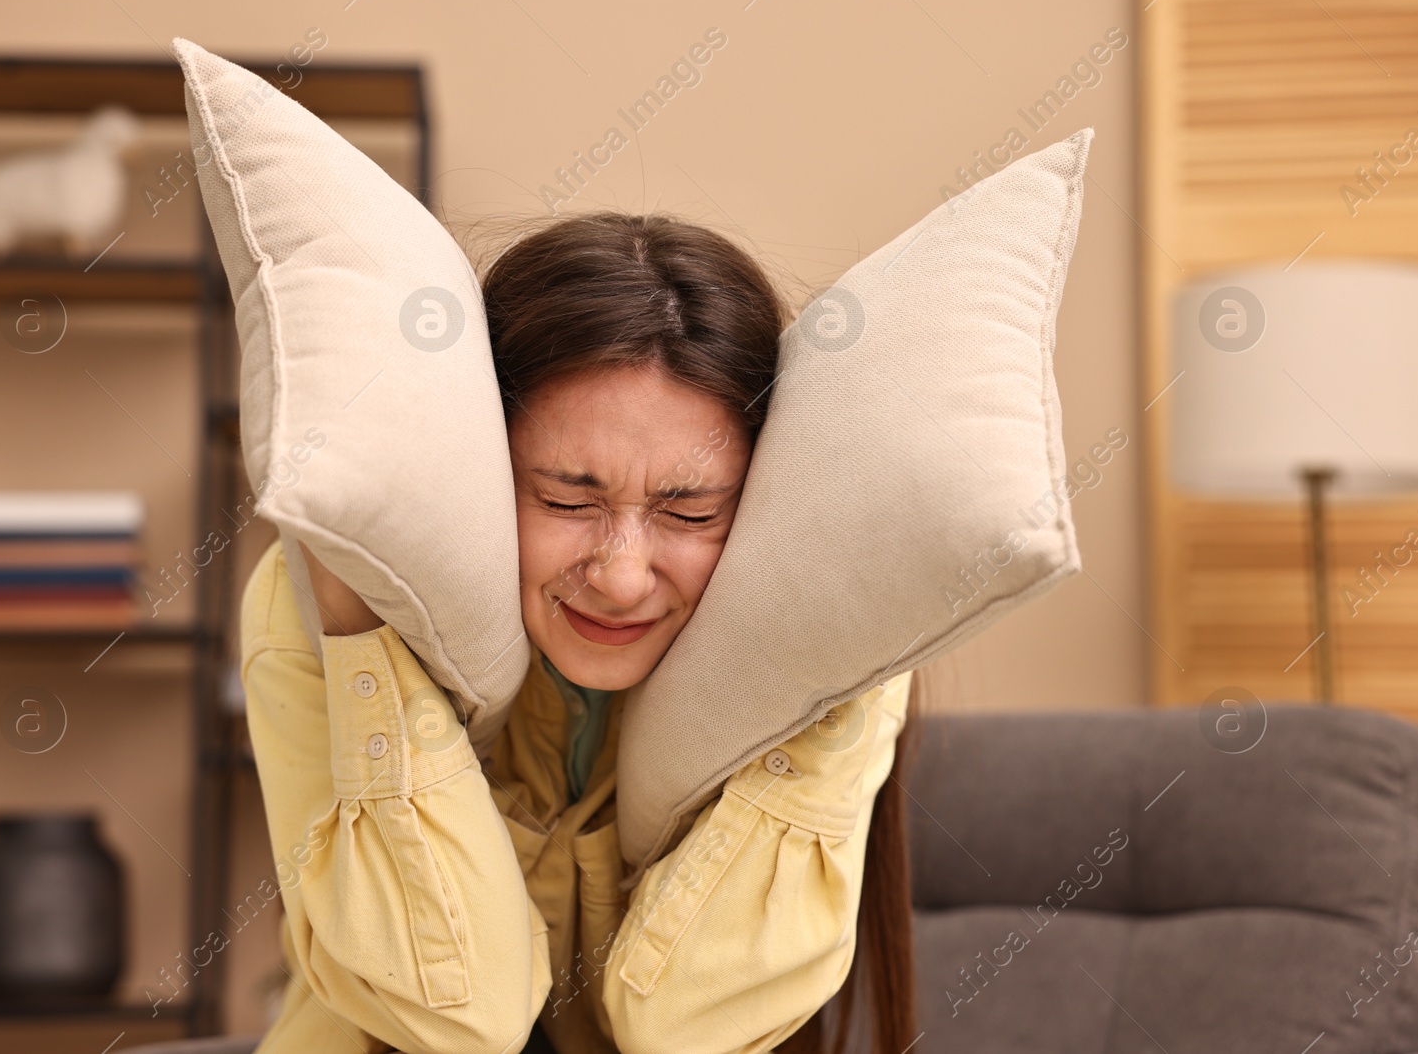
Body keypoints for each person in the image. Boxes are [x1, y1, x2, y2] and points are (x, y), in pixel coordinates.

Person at [240, 212, 917, 1054]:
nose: (622, 575)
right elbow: (459, 1013)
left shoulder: (851, 639)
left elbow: (689, 1028)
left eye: (691, 510)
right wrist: (362, 623)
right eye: (565, 501)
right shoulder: (310, 604)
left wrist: (827, 665)